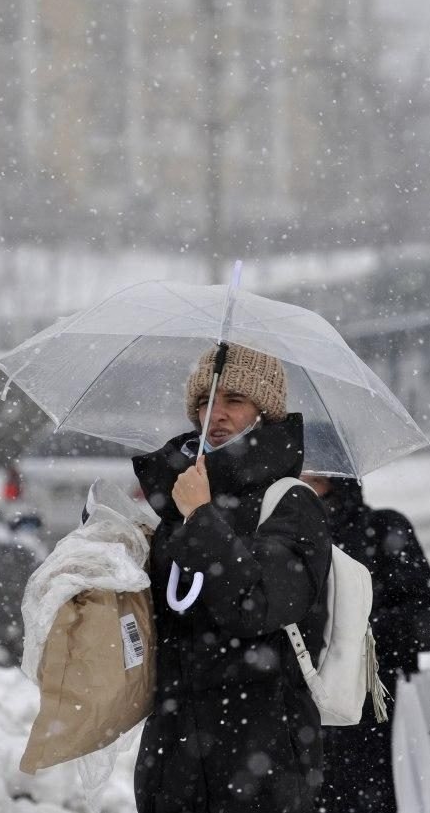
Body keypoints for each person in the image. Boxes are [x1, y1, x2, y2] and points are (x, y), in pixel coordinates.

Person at [130, 344, 333, 813]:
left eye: (234, 400)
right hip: (175, 759)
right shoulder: (179, 502)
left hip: (260, 764)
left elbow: (255, 605)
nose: (214, 415)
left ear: (266, 411)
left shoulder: (290, 504)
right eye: (205, 402)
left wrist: (200, 515)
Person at [304, 473, 430, 813]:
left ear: (337, 478)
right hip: (313, 706)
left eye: (314, 475)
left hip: (378, 705)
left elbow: (422, 613)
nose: (304, 482)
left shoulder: (383, 528)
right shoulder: (292, 539)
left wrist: (352, 633)